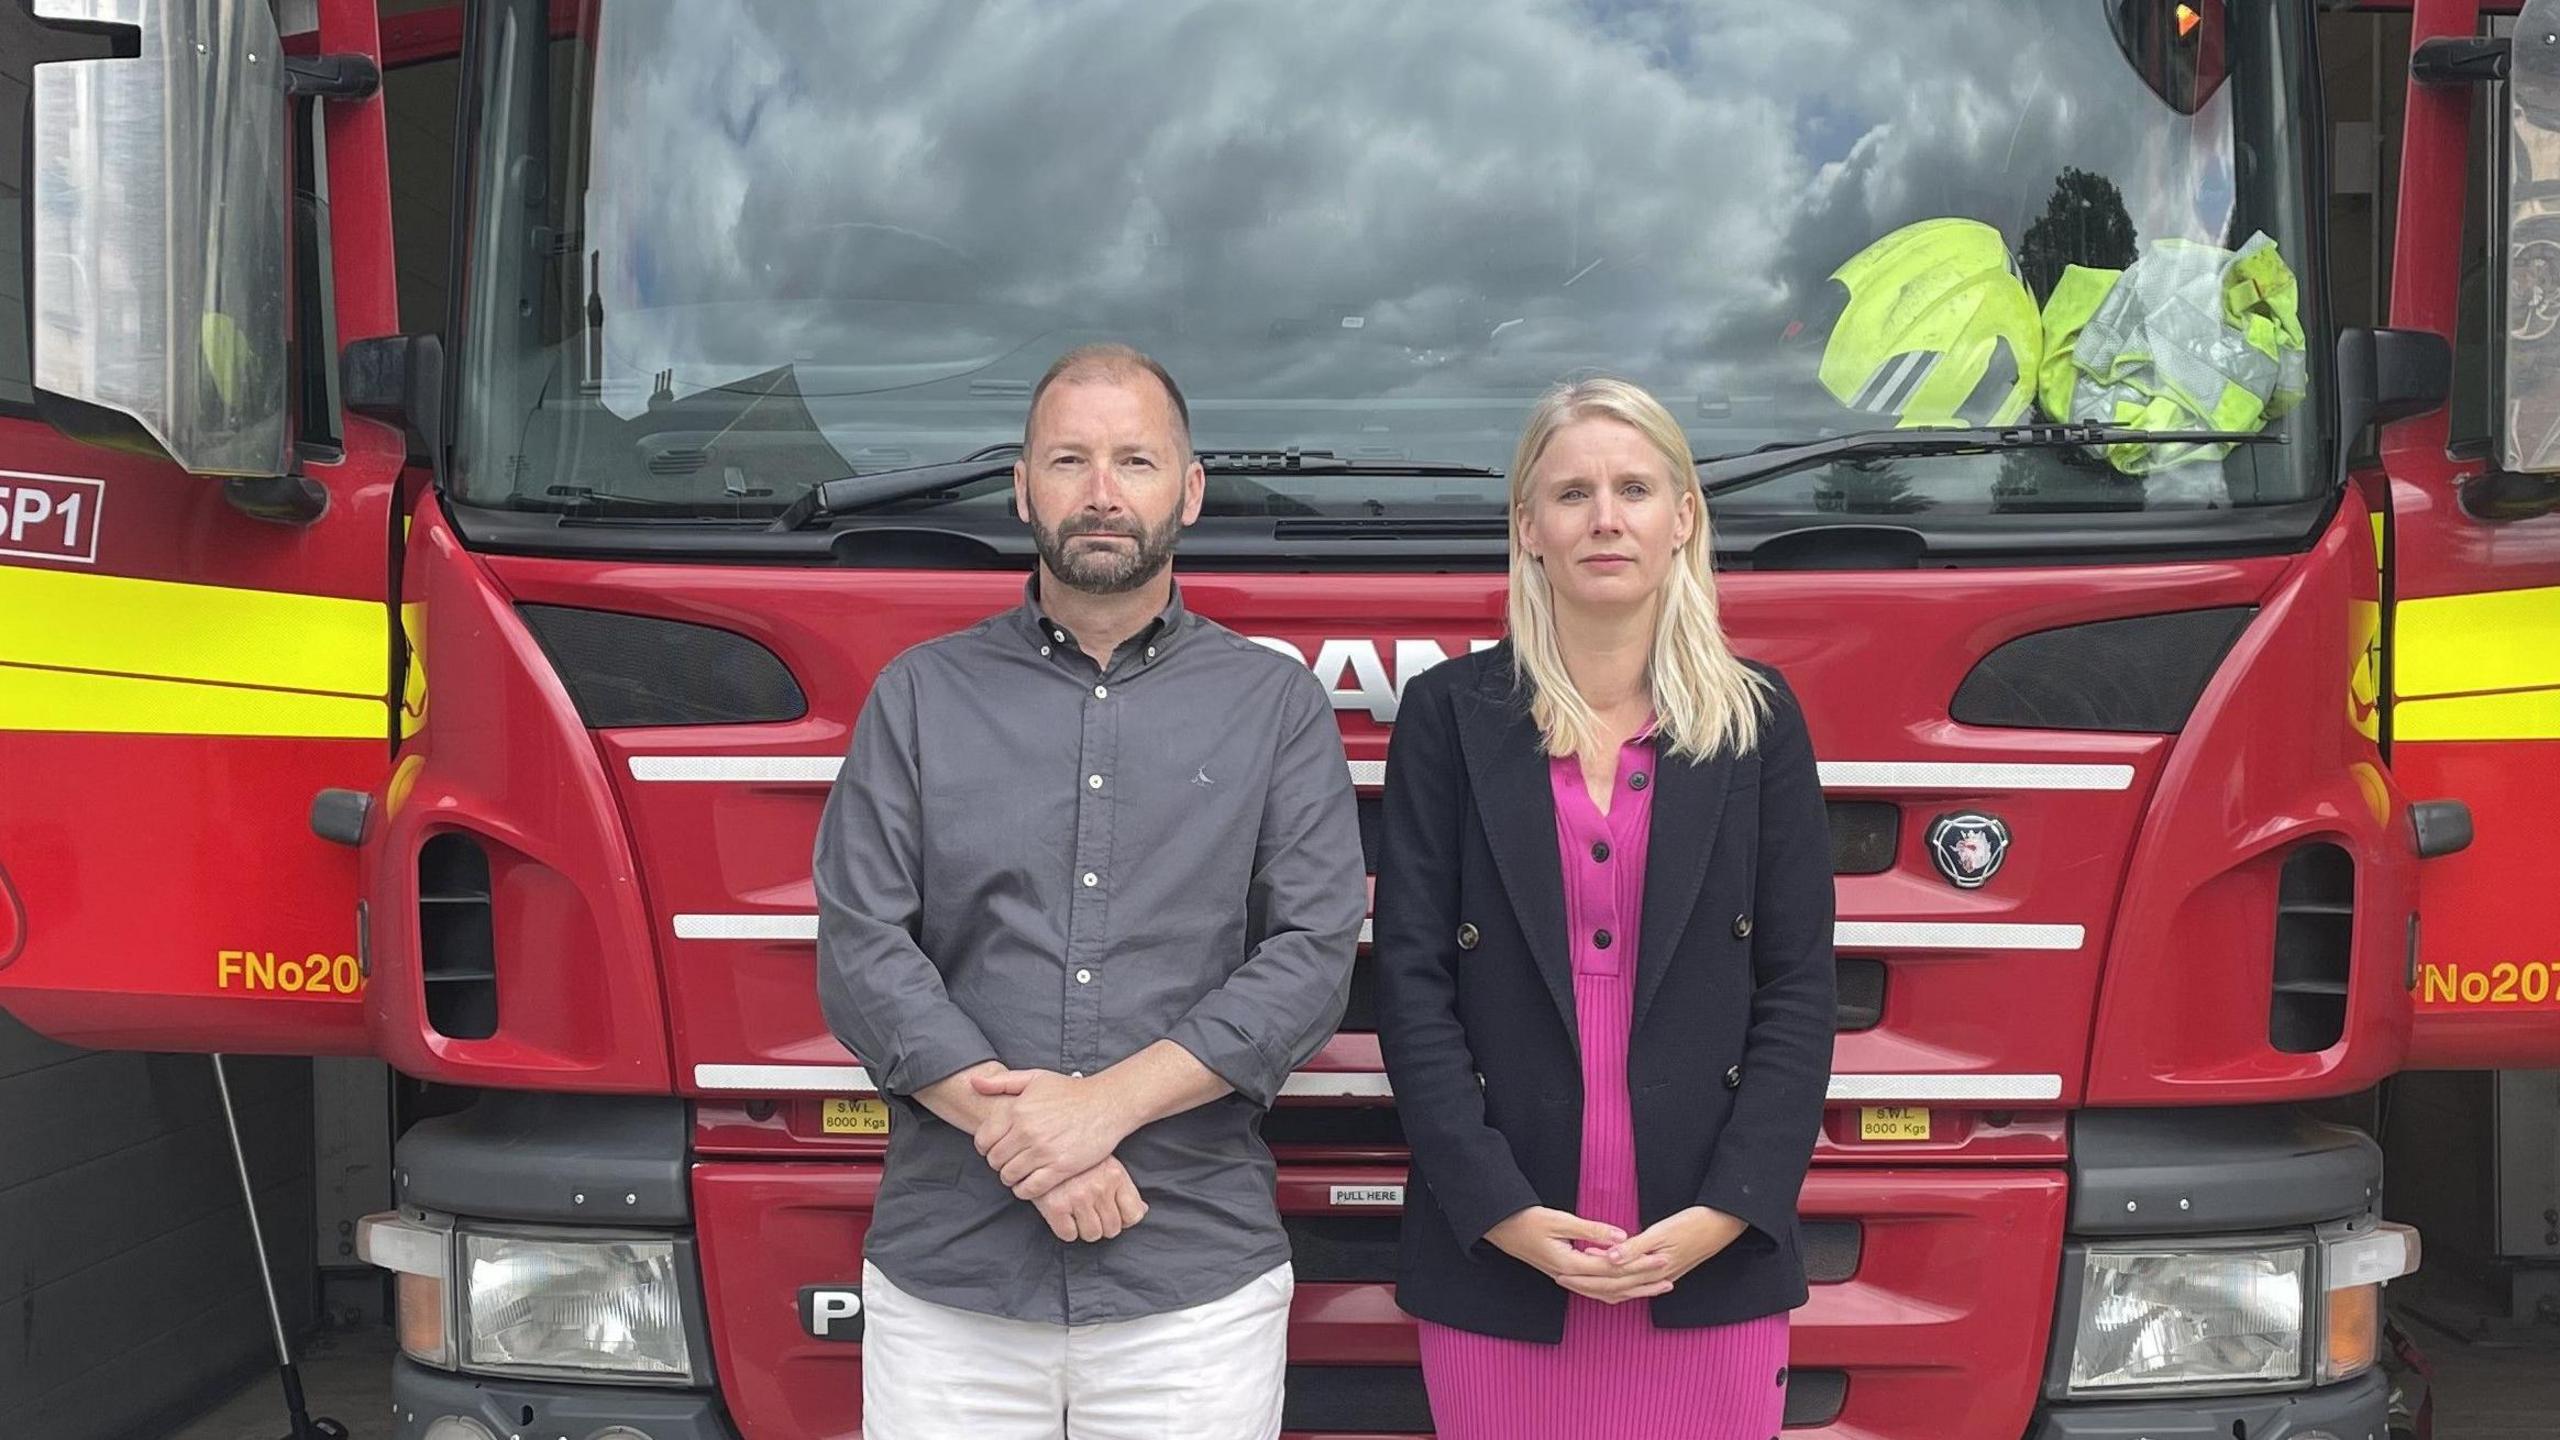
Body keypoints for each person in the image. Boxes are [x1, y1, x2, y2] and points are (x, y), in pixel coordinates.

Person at [814, 344, 1366, 1439]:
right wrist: (1035, 1144)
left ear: (1189, 491)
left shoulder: (1276, 705)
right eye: (1068, 460)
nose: (1102, 494)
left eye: (1135, 461)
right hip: (949, 1292)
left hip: (1191, 1291)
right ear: (1022, 486)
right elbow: (861, 946)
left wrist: (1100, 1110)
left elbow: (1310, 956)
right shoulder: (920, 696)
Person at [1372, 376, 1837, 1439]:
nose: (1604, 518)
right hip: (1502, 1254)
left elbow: (1801, 989)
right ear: (1528, 528)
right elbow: (1410, 985)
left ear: (1682, 521)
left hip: (1704, 1255)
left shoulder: (1757, 723)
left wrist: (1729, 1211)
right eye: (1572, 492)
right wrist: (1498, 1213)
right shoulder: (1449, 717)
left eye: (1634, 488)